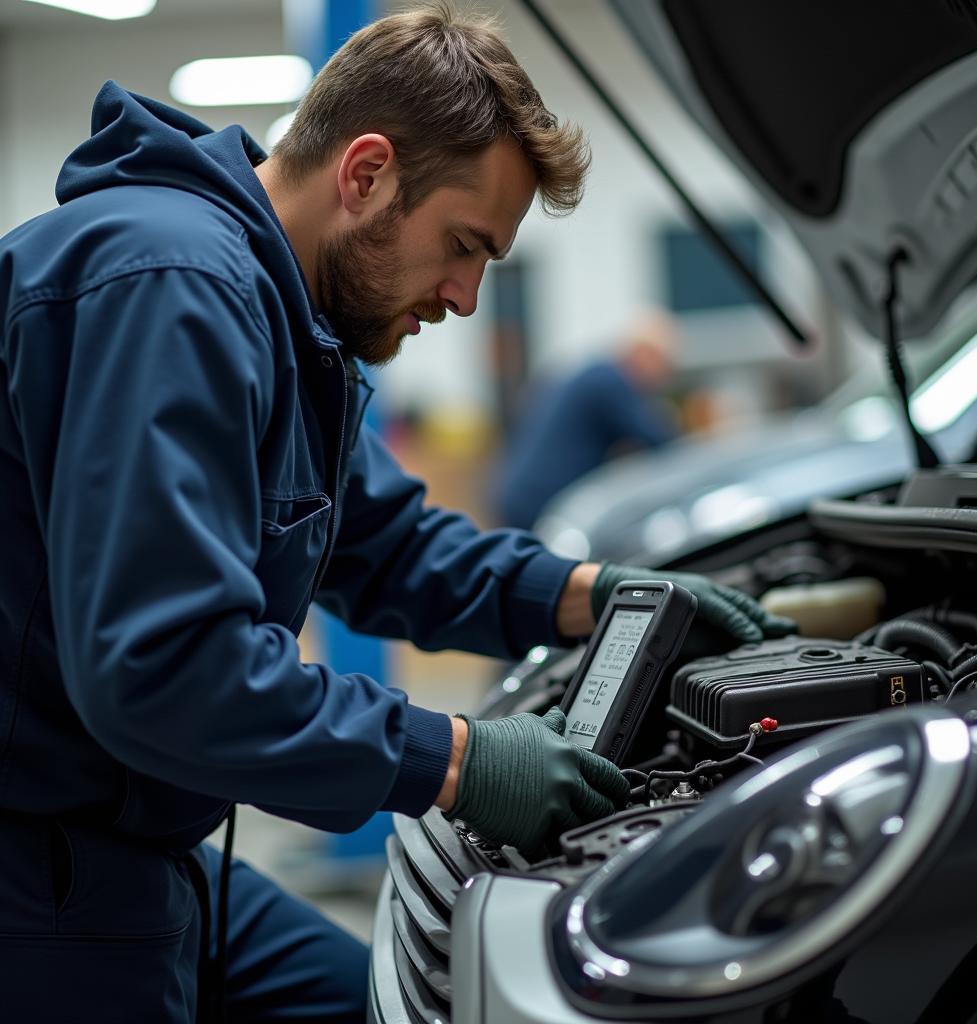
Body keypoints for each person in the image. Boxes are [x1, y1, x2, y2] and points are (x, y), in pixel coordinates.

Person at [0, 4, 792, 1021]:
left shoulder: (291, 322)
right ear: (365, 172)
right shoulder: (173, 289)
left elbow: (386, 542)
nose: (465, 296)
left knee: (377, 998)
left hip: (139, 844)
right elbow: (165, 671)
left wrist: (598, 596)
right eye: (462, 244)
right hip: (37, 871)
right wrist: (457, 760)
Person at [493, 310, 681, 529]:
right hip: (541, 499)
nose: (663, 377)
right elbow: (660, 441)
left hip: (520, 492)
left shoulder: (594, 373)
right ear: (644, 353)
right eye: (664, 365)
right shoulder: (609, 381)